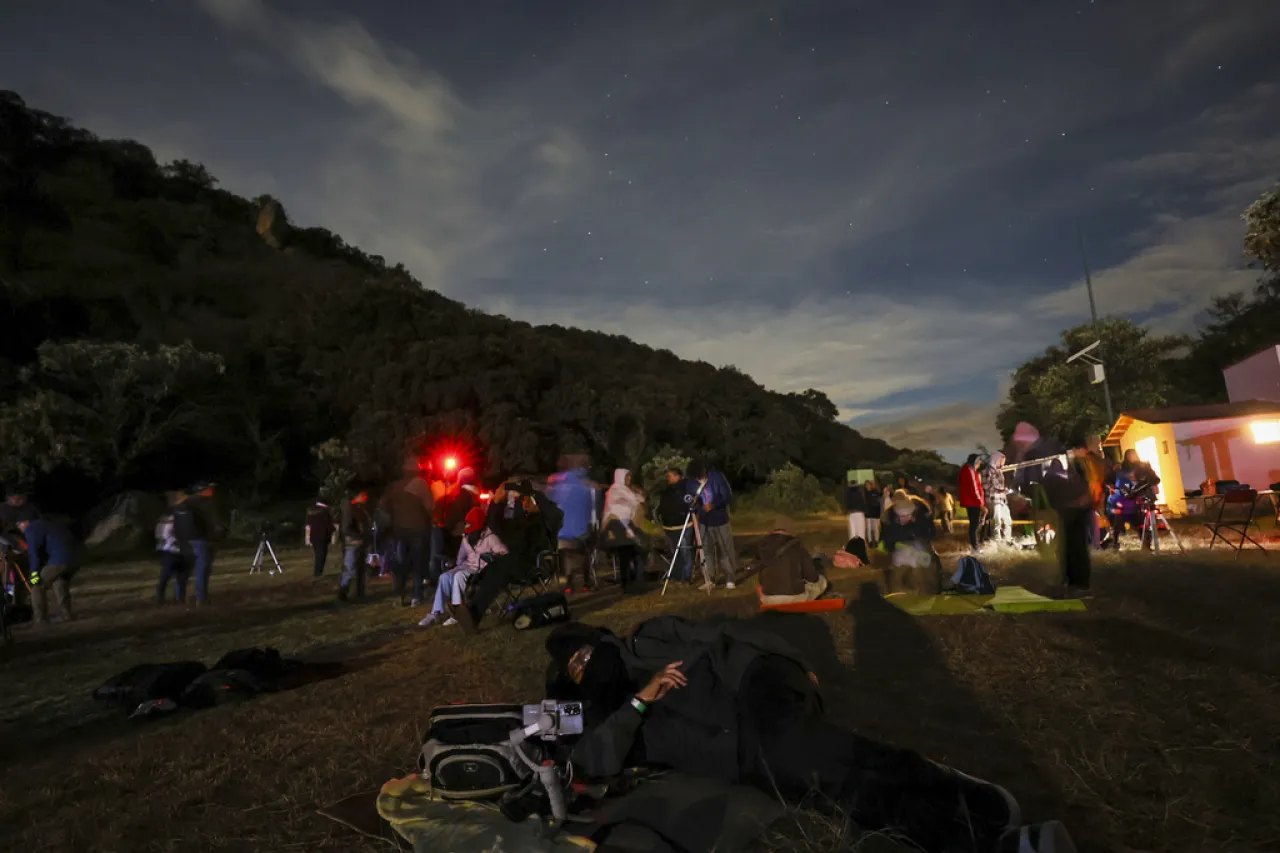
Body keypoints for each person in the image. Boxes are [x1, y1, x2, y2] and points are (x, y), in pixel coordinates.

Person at [547, 618, 1075, 853]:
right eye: (574, 668)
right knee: (829, 770)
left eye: (587, 653)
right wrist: (641, 700)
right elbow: (593, 761)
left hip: (754, 687)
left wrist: (791, 663)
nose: (585, 666)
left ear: (603, 641)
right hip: (742, 752)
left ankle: (977, 841)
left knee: (815, 765)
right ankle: (968, 799)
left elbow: (730, 635)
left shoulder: (646, 638)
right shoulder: (614, 716)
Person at [457, 480, 560, 633]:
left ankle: (472, 612)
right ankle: (471, 612)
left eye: (526, 499)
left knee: (502, 564)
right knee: (495, 566)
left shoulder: (544, 520)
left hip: (534, 565)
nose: (523, 501)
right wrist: (497, 502)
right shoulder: (522, 520)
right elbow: (497, 525)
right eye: (521, 499)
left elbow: (521, 538)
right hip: (516, 563)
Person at [1010, 422, 1094, 595]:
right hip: (1070, 500)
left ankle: (1078, 584)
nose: (1019, 445)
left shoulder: (1036, 453)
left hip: (1071, 500)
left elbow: (1028, 480)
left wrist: (1022, 492)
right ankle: (1073, 582)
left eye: (1020, 442)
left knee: (1072, 544)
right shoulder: (1047, 448)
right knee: (1068, 543)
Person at [420, 507, 505, 627]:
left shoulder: (490, 537)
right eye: (467, 523)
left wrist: (491, 557)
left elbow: (503, 553)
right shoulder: (466, 538)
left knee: (459, 576)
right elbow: (461, 557)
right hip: (467, 566)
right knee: (445, 577)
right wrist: (454, 566)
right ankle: (435, 613)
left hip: (482, 569)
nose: (467, 527)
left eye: (470, 524)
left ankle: (458, 614)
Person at [379, 459, 435, 606]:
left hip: (399, 530)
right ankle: (417, 596)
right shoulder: (421, 484)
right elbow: (430, 506)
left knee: (401, 563)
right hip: (417, 529)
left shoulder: (394, 486)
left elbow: (383, 506)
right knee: (418, 563)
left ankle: (400, 595)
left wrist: (395, 515)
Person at [16, 509, 79, 624]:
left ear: (26, 522)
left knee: (36, 586)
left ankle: (40, 619)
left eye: (18, 524)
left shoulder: (31, 529)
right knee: (59, 581)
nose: (19, 527)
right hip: (75, 558)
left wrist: (34, 573)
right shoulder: (50, 523)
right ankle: (66, 614)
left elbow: (34, 554)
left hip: (59, 560)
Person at [546, 454, 595, 593]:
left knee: (568, 556)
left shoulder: (559, 486)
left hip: (564, 528)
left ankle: (569, 583)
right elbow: (591, 505)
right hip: (581, 527)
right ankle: (586, 581)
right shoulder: (585, 485)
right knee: (584, 554)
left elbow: (550, 501)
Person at [687, 459, 736, 590]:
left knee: (725, 549)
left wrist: (714, 505)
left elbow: (727, 496)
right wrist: (696, 505)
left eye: (701, 475)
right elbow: (691, 500)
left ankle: (730, 577)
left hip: (720, 519)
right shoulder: (691, 483)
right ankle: (709, 578)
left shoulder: (717, 477)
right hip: (704, 521)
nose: (699, 478)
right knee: (706, 550)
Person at [756, 521, 829, 605]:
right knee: (822, 582)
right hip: (794, 599)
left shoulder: (762, 548)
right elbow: (812, 577)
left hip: (767, 599)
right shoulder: (797, 546)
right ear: (790, 532)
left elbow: (761, 580)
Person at [173, 482, 223, 606]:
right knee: (202, 568)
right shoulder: (208, 502)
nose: (212, 491)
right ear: (204, 491)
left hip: (183, 540)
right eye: (210, 489)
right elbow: (216, 524)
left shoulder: (185, 502)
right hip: (201, 540)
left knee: (185, 569)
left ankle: (179, 596)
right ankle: (201, 598)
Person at [602, 469, 648, 588]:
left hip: (627, 524)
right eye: (626, 477)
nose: (629, 479)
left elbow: (638, 500)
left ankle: (635, 580)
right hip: (618, 525)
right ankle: (629, 583)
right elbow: (635, 501)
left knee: (633, 552)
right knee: (627, 553)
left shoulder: (624, 490)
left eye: (629, 477)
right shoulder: (616, 490)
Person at [657, 468, 695, 583]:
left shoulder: (686, 488)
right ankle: (678, 575)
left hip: (683, 525)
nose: (667, 478)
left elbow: (689, 503)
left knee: (685, 550)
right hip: (669, 527)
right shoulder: (667, 490)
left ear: (677, 476)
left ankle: (687, 576)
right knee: (675, 552)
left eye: (669, 476)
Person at [338, 490, 372, 602]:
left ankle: (360, 592)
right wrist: (358, 537)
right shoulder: (350, 509)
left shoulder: (360, 508)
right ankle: (343, 591)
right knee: (350, 568)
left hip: (360, 543)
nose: (366, 497)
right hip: (353, 543)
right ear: (358, 496)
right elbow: (346, 528)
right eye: (364, 495)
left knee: (361, 568)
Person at [155, 496, 188, 604]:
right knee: (167, 574)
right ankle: (160, 597)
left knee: (182, 575)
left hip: (180, 550)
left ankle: (180, 598)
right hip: (170, 551)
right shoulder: (168, 519)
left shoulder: (181, 516)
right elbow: (164, 534)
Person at [958, 455, 986, 552]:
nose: (979, 465)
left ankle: (975, 545)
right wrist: (981, 504)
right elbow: (974, 488)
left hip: (971, 502)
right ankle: (975, 547)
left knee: (974, 524)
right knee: (974, 525)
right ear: (975, 462)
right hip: (973, 502)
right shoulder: (969, 471)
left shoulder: (968, 470)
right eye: (979, 463)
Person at [984, 452, 1013, 545]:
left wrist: (1004, 490)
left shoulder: (999, 471)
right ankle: (997, 540)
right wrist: (1001, 490)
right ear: (995, 459)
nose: (1003, 463)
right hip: (994, 499)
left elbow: (1000, 485)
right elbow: (986, 485)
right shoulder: (988, 471)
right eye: (1001, 460)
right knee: (997, 521)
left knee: (1008, 520)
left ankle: (1007, 539)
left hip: (1002, 499)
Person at [305, 497, 335, 578]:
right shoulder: (325, 511)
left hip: (313, 536)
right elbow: (328, 524)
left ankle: (317, 572)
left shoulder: (310, 510)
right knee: (321, 555)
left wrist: (307, 538)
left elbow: (308, 524)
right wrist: (332, 530)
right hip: (323, 535)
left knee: (317, 554)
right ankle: (318, 573)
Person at [844, 477, 868, 543]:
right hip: (859, 513)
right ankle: (861, 545)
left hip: (851, 513)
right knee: (860, 531)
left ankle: (852, 545)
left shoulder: (848, 494)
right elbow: (863, 503)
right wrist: (865, 511)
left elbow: (846, 504)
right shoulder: (859, 493)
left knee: (852, 531)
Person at [864, 480, 882, 546]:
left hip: (875, 512)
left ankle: (876, 540)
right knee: (868, 527)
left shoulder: (875, 492)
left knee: (875, 528)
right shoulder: (865, 493)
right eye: (866, 485)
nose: (867, 486)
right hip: (868, 513)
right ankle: (870, 541)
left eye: (868, 484)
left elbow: (878, 502)